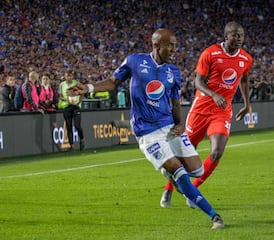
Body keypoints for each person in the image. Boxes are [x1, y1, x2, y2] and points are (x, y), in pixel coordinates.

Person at [67, 28, 224, 229]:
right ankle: (214, 216)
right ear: (157, 45)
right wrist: (88, 88)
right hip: (147, 133)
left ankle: (172, 177)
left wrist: (180, 124)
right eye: (171, 45)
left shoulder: (173, 71)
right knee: (179, 172)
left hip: (168, 126)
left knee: (197, 170)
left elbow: (176, 103)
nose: (175, 49)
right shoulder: (134, 61)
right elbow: (112, 82)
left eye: (176, 45)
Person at [161, 21, 253, 209]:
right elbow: (198, 82)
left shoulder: (246, 58)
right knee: (185, 153)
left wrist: (246, 104)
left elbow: (244, 79)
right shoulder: (210, 53)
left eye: (241, 35)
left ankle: (193, 192)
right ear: (226, 36)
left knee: (217, 151)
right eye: (235, 35)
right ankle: (168, 189)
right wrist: (214, 94)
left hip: (222, 111)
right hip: (201, 109)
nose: (239, 39)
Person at [58, 71, 85, 151]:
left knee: (77, 125)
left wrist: (79, 102)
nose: (69, 78)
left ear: (72, 77)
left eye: (70, 76)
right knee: (68, 126)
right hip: (67, 106)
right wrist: (67, 99)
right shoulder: (62, 85)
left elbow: (82, 93)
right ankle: (71, 145)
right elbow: (60, 96)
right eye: (67, 76)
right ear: (65, 76)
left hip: (76, 107)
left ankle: (82, 139)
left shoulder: (77, 83)